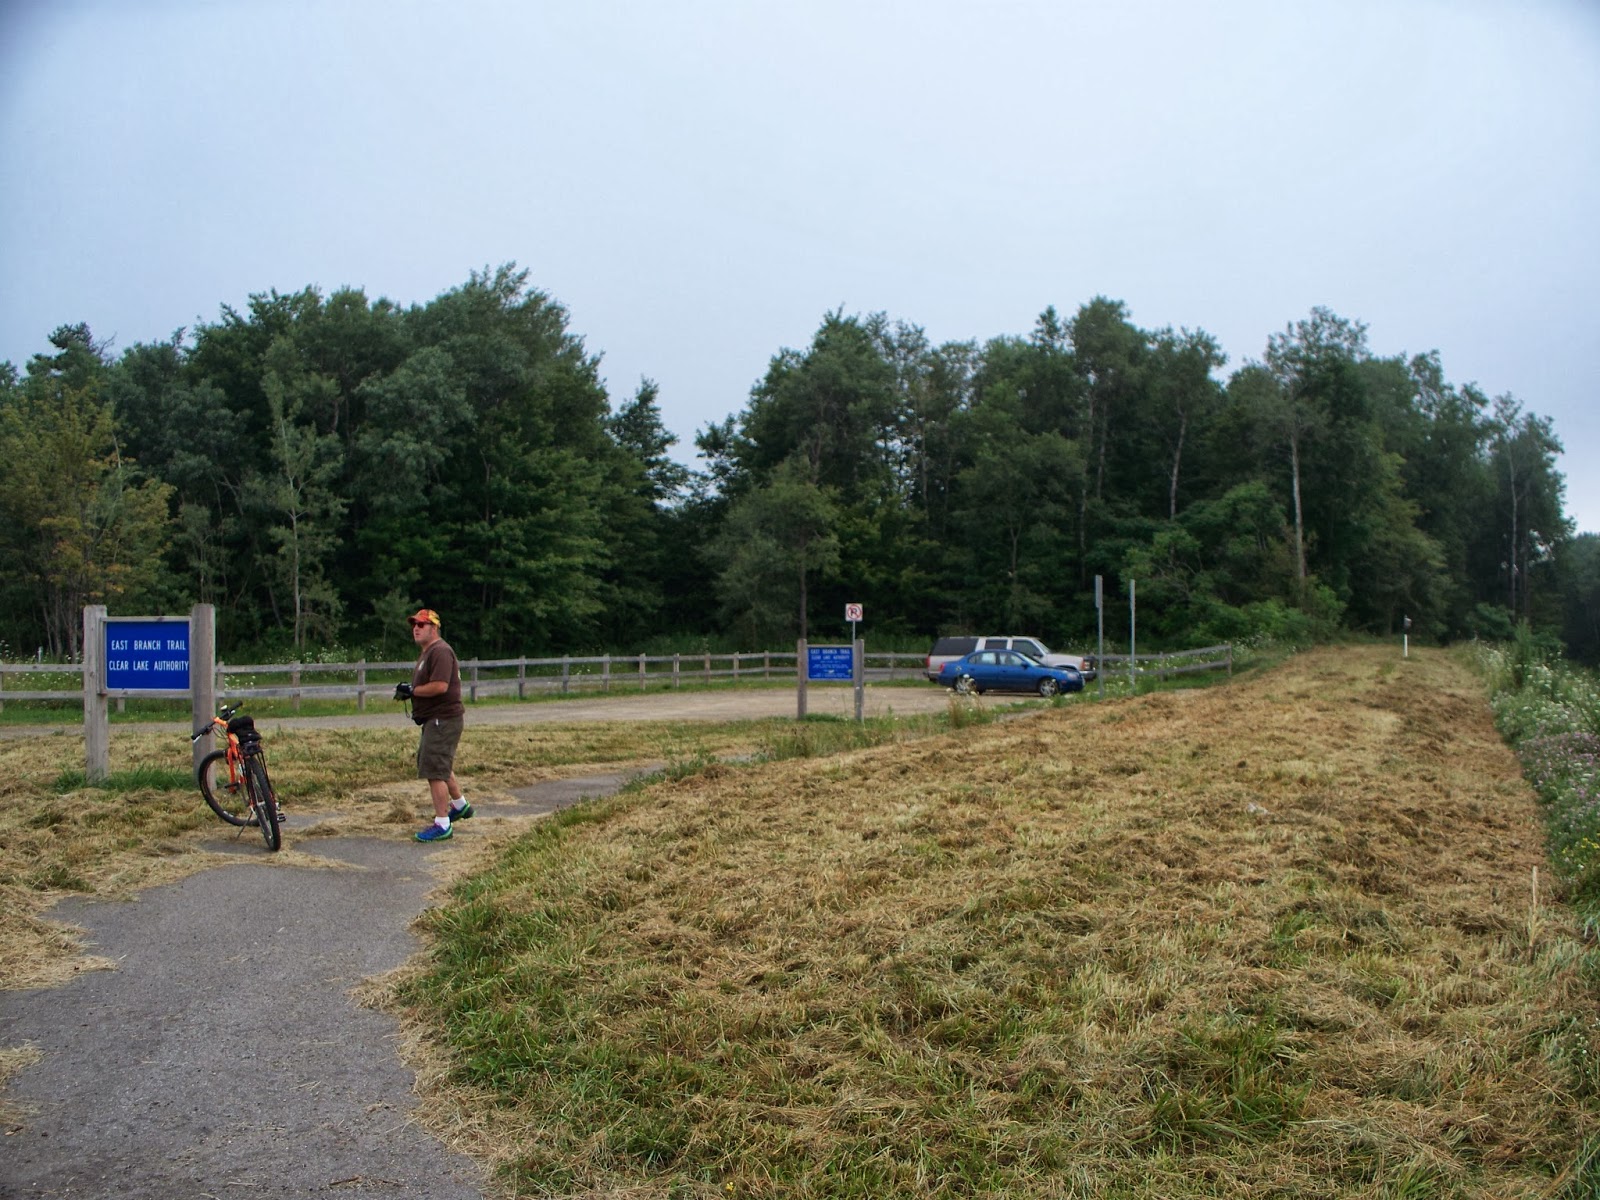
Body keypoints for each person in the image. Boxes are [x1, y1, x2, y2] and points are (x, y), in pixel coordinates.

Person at [400, 608, 471, 842]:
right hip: (435, 719)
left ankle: (442, 824)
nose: (416, 628)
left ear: (434, 628)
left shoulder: (440, 651)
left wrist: (413, 691)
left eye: (422, 624)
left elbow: (440, 686)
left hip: (443, 718)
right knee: (439, 762)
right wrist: (410, 693)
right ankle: (459, 805)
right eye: (414, 625)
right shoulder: (428, 652)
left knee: (434, 769)